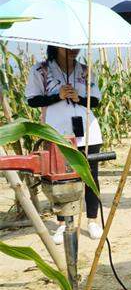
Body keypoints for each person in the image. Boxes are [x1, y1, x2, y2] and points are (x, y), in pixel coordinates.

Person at [25, 46, 104, 244]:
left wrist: (80, 98)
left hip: (87, 132)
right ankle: (62, 223)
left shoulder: (85, 70)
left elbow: (96, 101)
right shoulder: (40, 70)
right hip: (56, 132)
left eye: (76, 46)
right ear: (55, 45)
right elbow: (32, 100)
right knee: (59, 179)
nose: (73, 49)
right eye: (67, 46)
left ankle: (92, 221)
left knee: (91, 176)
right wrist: (56, 96)